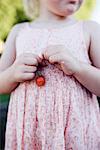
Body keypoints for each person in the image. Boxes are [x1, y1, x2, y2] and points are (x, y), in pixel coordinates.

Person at [0, 0, 100, 149]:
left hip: (74, 133)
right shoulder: (19, 31)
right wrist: (13, 73)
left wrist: (79, 68)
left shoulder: (89, 29)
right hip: (29, 133)